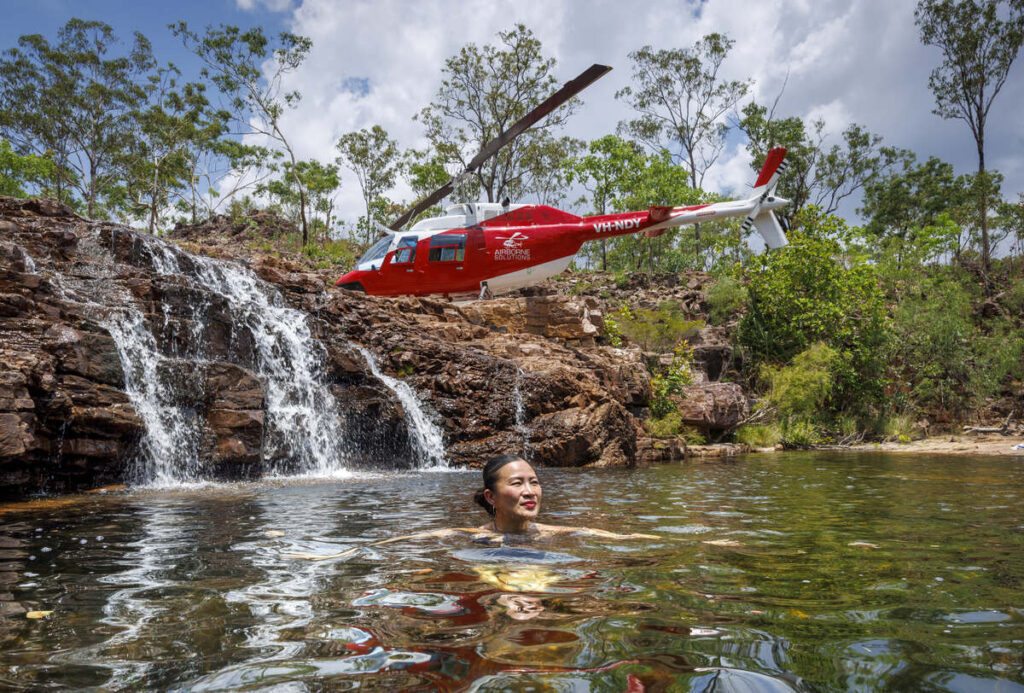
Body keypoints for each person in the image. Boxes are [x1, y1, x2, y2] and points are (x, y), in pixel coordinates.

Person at [283, 454, 657, 561]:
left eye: (534, 482)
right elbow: (399, 542)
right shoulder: (469, 538)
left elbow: (624, 538)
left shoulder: (556, 534)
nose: (531, 491)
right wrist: (326, 556)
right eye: (517, 484)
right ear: (491, 497)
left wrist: (710, 546)